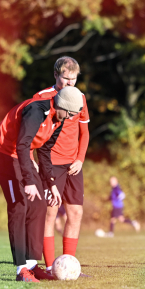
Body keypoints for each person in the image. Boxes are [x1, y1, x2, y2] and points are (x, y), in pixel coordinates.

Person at [0, 85, 84, 282]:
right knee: (19, 205)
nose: (70, 118)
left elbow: (45, 152)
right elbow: (22, 144)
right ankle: (21, 269)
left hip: (22, 155)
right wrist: (29, 181)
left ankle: (32, 265)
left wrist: (51, 184)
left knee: (39, 204)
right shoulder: (36, 111)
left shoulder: (58, 120)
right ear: (63, 106)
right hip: (4, 153)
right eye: (70, 113)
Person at [31, 57, 91, 277]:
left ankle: (69, 266)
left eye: (73, 79)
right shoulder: (42, 98)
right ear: (56, 75)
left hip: (73, 165)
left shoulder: (80, 98)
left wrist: (80, 159)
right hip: (51, 164)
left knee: (75, 213)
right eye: (66, 78)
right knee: (50, 213)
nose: (70, 83)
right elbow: (31, 134)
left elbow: (84, 133)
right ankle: (50, 268)